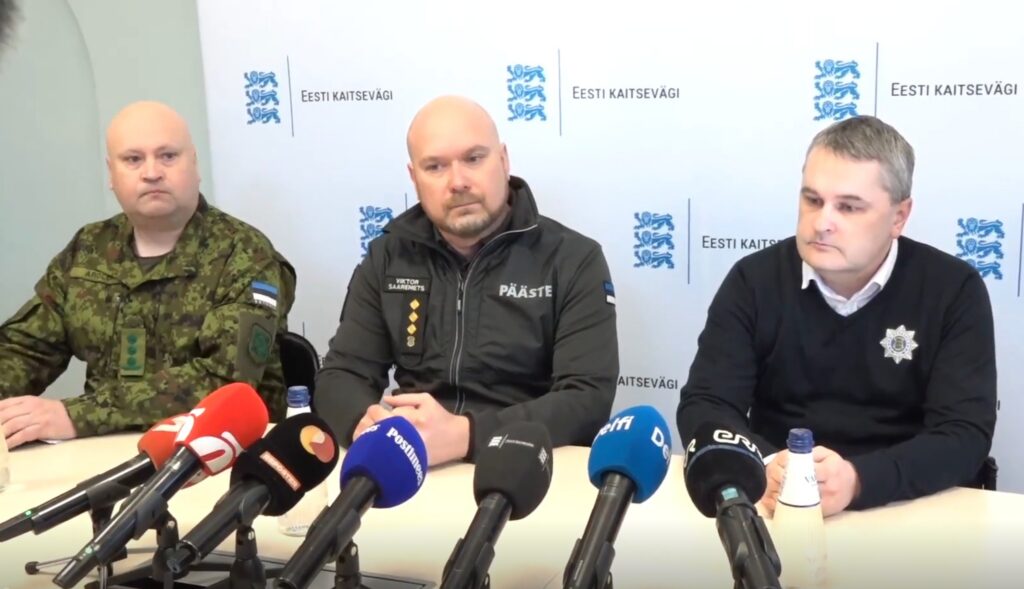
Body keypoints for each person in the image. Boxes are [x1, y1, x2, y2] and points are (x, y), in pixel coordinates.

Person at [677, 115, 996, 516]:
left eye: (848, 207)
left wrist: (859, 480)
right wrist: (766, 465)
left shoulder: (953, 289)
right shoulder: (753, 280)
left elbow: (964, 435)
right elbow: (706, 404)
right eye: (812, 200)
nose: (822, 223)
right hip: (778, 505)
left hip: (905, 509)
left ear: (899, 216)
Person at [315, 95, 618, 465]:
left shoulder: (573, 259)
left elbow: (587, 399)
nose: (458, 182)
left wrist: (466, 435)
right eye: (435, 167)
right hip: (413, 465)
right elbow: (342, 375)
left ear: (503, 160)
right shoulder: (388, 256)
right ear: (414, 177)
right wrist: (365, 424)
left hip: (525, 467)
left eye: (474, 159)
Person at [0, 101, 296, 448]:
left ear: (194, 164)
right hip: (96, 453)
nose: (152, 172)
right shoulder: (89, 248)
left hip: (217, 455)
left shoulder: (244, 253)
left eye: (168, 156)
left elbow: (225, 383)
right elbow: (26, 349)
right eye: (133, 159)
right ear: (111, 174)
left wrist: (75, 416)